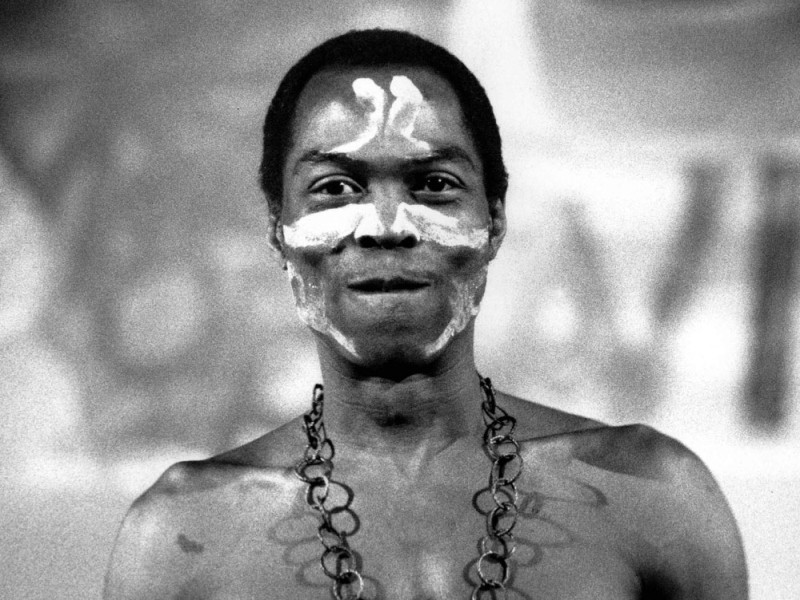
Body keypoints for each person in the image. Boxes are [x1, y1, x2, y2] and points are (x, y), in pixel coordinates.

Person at [104, 29, 748, 599]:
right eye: (336, 188)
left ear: (495, 221)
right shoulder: (181, 536)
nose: (387, 226)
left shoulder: (653, 497)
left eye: (434, 184)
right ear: (278, 230)